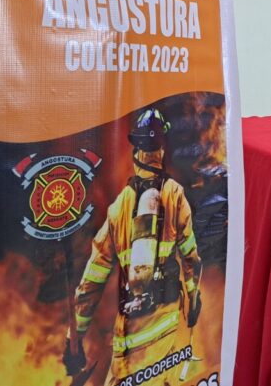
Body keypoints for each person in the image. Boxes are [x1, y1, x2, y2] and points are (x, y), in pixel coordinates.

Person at [65, 108, 202, 385]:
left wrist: (75, 338)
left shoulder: (118, 207)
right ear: (162, 149)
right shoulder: (174, 194)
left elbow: (92, 280)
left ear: (136, 152)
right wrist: (193, 298)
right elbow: (190, 258)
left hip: (127, 339)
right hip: (166, 332)